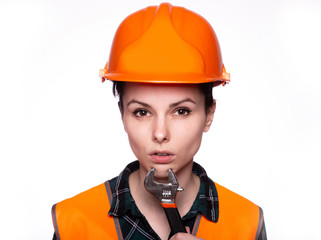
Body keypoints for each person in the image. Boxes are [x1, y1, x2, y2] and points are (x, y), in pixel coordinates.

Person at [51, 3, 267, 240]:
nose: (160, 133)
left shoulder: (245, 223)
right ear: (122, 114)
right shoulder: (74, 222)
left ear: (209, 115)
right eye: (142, 112)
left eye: (181, 111)